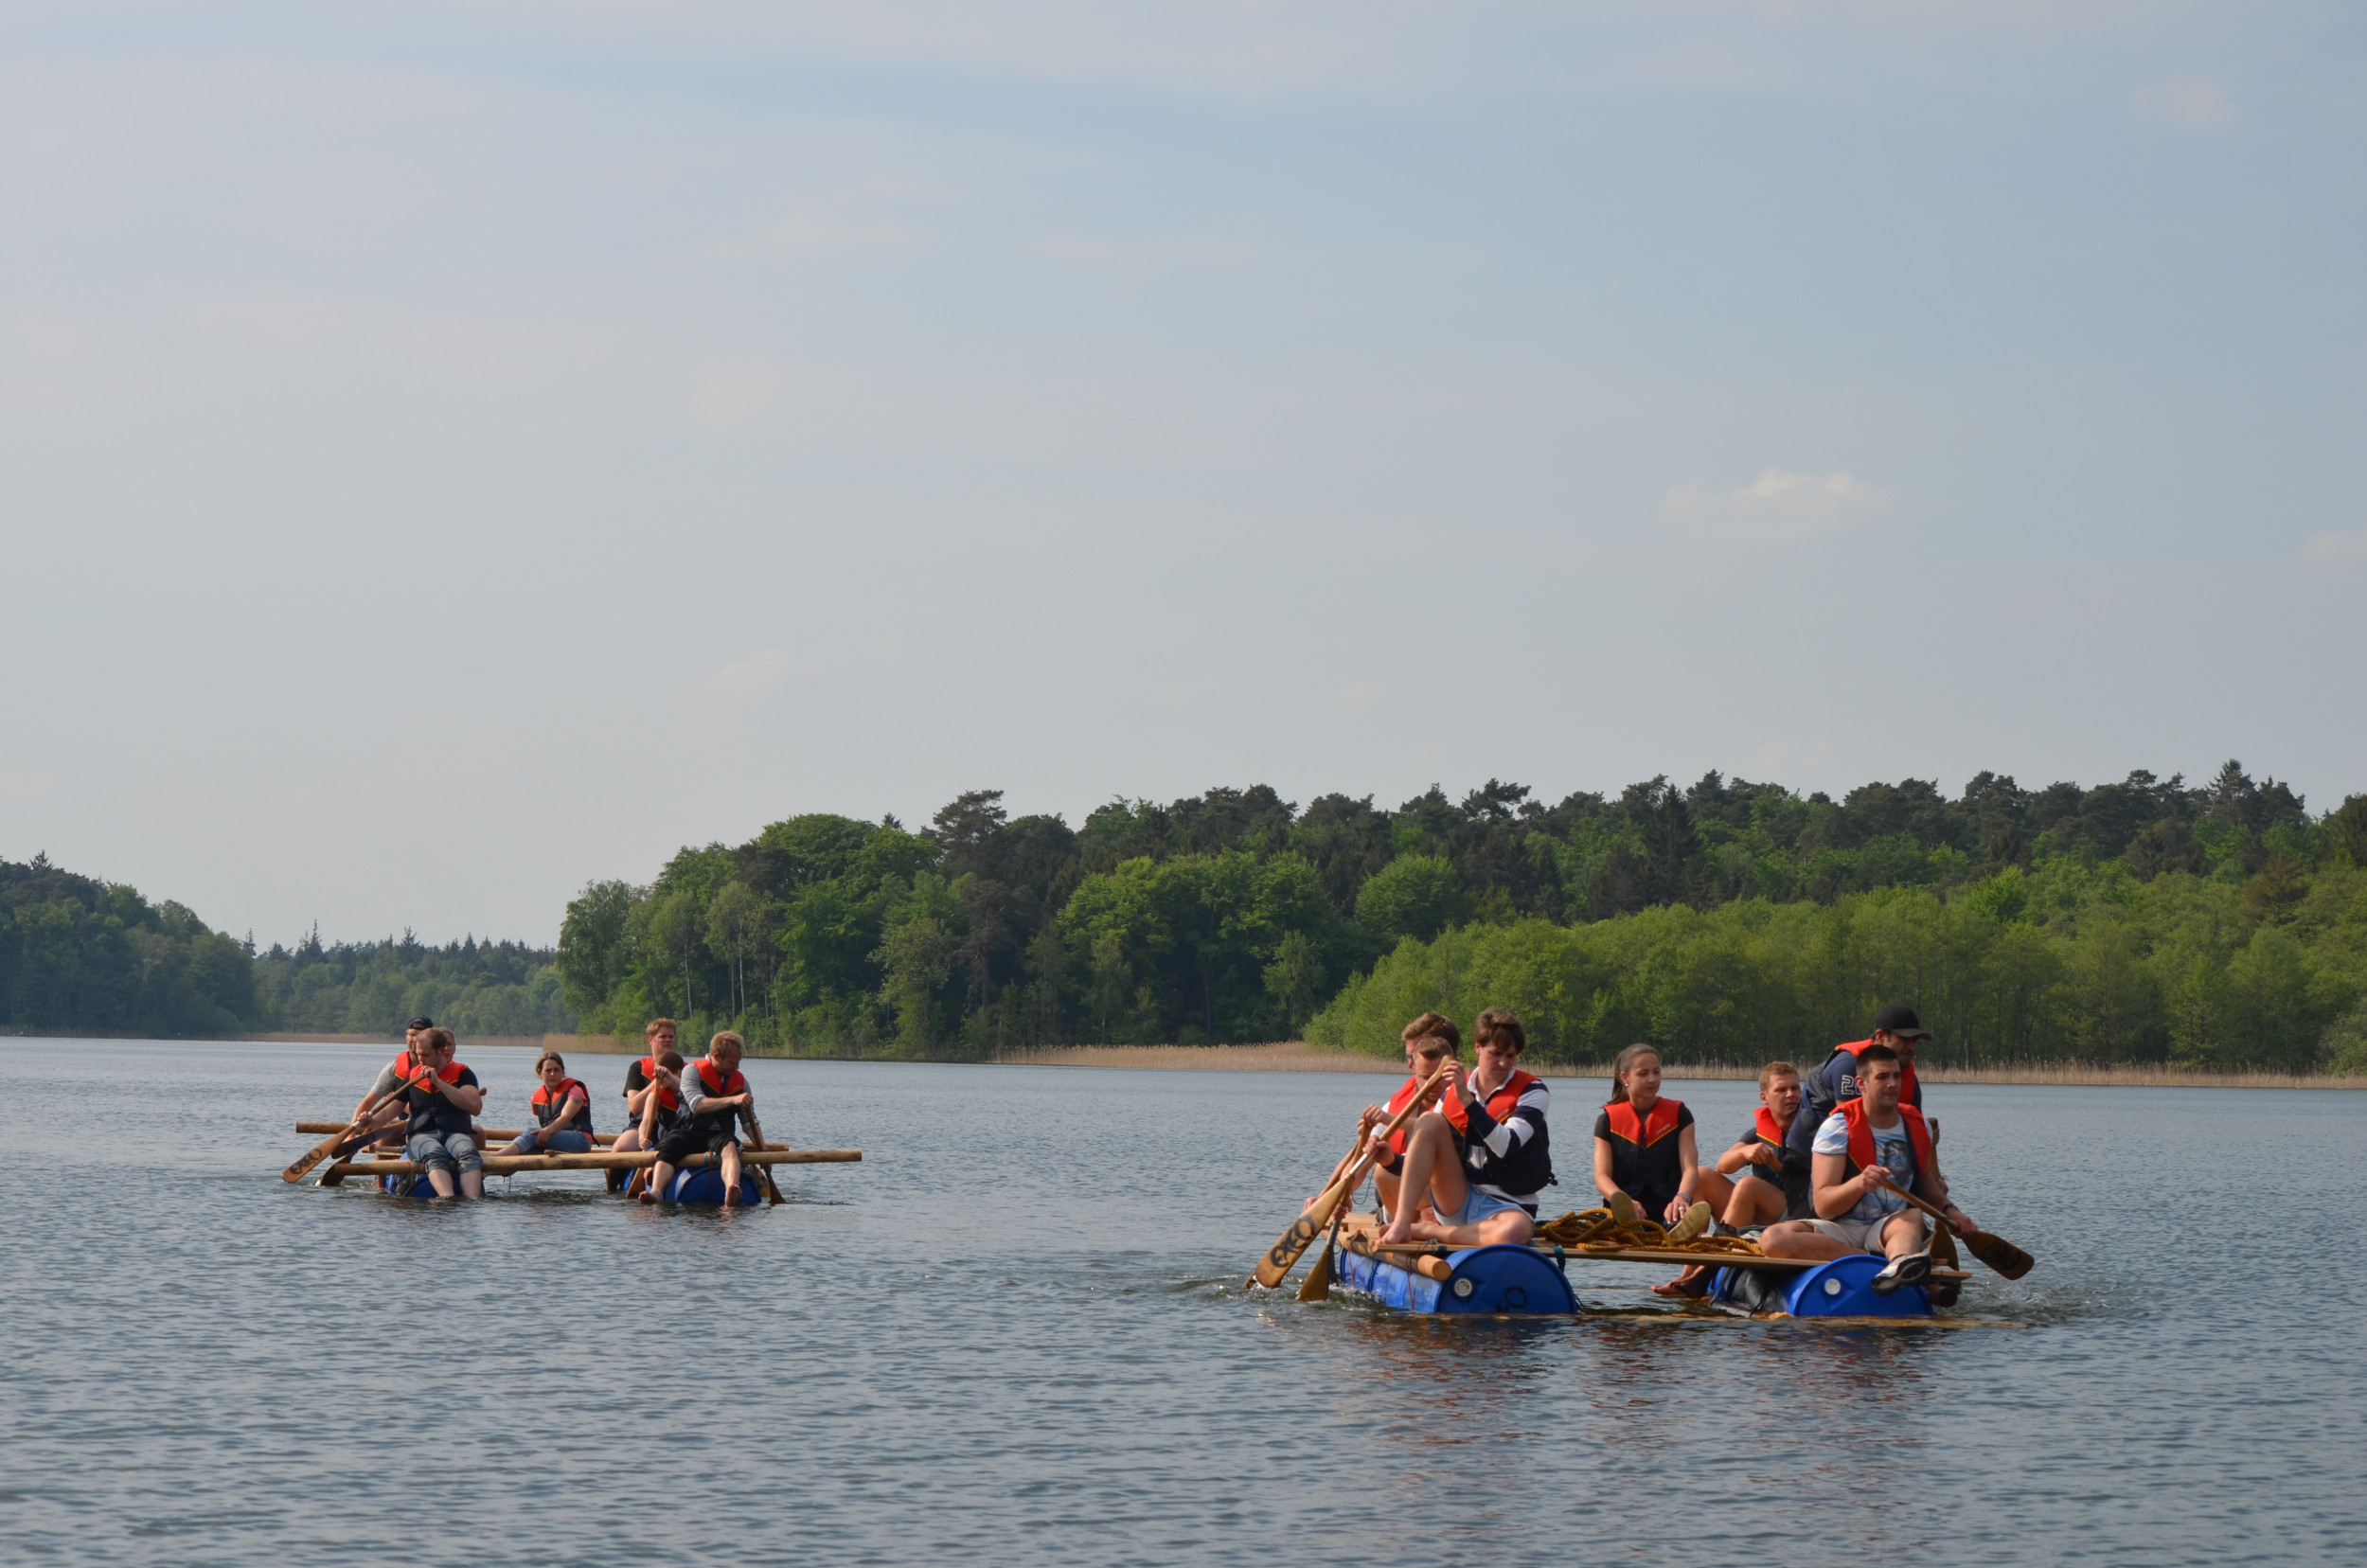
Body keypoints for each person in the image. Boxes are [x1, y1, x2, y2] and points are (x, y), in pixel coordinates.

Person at [1759, 1042, 1981, 1294]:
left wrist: (1952, 1212)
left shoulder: (1919, 1126)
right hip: (1841, 1228)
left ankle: (1900, 1261)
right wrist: (1860, 1183)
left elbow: (1925, 1180)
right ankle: (1880, 1266)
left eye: (1896, 1076)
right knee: (1773, 1238)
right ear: (1861, 1083)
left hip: (1891, 1227)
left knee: (1912, 1217)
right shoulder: (1837, 1127)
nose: (1892, 1084)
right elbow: (1823, 1205)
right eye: (1882, 1077)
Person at [1374, 1010, 1548, 1248]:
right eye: (1495, 1054)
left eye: (1511, 1055)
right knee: (1430, 1122)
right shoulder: (1454, 1090)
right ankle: (1403, 1223)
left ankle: (1430, 1231)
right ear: (1478, 1048)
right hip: (1457, 1197)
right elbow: (1428, 1152)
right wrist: (1391, 1160)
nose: (1503, 1063)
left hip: (1508, 1205)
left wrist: (1468, 1101)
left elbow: (1506, 1146)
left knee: (1514, 1231)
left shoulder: (1533, 1091)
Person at [1654, 1060, 1807, 1298]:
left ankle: (1704, 1274)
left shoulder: (1810, 1127)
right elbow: (1723, 1165)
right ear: (1764, 1097)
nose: (1791, 1095)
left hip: (1798, 1214)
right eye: (1781, 1090)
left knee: (1749, 1185)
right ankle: (1688, 1274)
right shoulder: (1758, 1131)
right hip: (1763, 1212)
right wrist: (1745, 1152)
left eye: (1795, 1088)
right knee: (1704, 1175)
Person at [1787, 1003, 1932, 1167]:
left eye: (1915, 1041)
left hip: (1864, 1164)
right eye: (1905, 1040)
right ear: (1880, 1036)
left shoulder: (1905, 1072)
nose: (1912, 1047)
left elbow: (1915, 1131)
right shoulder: (1848, 1065)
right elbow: (1850, 1131)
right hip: (1806, 1160)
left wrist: (1934, 1177)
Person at [1348, 1013, 1459, 1228]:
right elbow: (1358, 1157)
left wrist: (1391, 1121)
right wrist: (1335, 1194)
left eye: (1414, 1055)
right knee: (1382, 1170)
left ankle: (1419, 1226)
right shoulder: (1403, 1099)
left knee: (1387, 1169)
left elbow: (1435, 1128)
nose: (1410, 1064)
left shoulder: (1463, 1096)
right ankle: (1409, 1225)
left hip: (1448, 1201)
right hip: (1408, 1201)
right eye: (1410, 1057)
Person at [646, 1031, 767, 1207]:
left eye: (739, 1062)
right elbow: (697, 1105)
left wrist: (763, 1153)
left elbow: (749, 1123)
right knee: (670, 1145)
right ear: (717, 1056)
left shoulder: (740, 1082)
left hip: (719, 1134)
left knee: (731, 1147)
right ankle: (656, 1191)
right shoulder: (692, 1071)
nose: (737, 1067)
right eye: (732, 1062)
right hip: (690, 1131)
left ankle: (731, 1187)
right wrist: (733, 1100)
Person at [400, 1027, 487, 1200]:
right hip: (421, 1136)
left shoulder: (463, 1074)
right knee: (434, 1153)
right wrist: (368, 1119)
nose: (420, 1060)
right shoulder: (411, 1078)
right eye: (418, 1055)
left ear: (440, 1052)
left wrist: (438, 1082)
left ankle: (473, 1201)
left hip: (454, 1133)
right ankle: (447, 1198)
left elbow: (475, 1107)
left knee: (468, 1151)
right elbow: (388, 1112)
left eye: (426, 1055)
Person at [608, 1018, 681, 1191]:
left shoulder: (683, 1067)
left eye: (671, 1036)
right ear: (651, 1039)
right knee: (619, 1149)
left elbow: (692, 1096)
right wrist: (656, 1082)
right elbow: (634, 1106)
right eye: (663, 1036)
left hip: (674, 1124)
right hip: (641, 1125)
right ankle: (611, 1189)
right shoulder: (638, 1068)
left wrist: (671, 1078)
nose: (668, 1040)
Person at [349, 1015, 437, 1149]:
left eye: (421, 1035)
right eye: (412, 1035)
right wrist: (351, 1135)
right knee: (387, 1131)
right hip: (405, 1128)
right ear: (406, 1036)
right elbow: (368, 1103)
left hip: (434, 1127)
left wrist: (404, 1106)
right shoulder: (394, 1068)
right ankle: (380, 1169)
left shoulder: (440, 1068)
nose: (415, 1040)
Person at [506, 1051, 595, 1155]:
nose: (553, 1074)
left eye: (556, 1070)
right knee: (524, 1152)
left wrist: (547, 1131)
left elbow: (565, 1117)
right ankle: (488, 1171)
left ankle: (495, 1160)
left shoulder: (575, 1090)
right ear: (540, 1073)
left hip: (580, 1141)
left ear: (563, 1072)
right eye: (548, 1070)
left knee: (530, 1133)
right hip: (554, 1141)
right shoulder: (535, 1098)